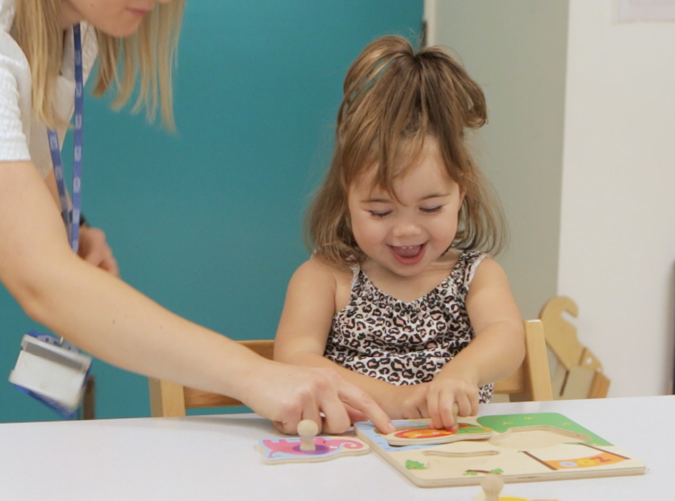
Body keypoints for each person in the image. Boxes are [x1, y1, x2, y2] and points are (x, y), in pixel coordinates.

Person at [0, 0, 394, 435]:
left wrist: (72, 223)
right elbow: (41, 279)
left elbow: (26, 161)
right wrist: (254, 374)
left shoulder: (74, 35)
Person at [274, 35, 526, 429]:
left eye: (430, 208)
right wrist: (395, 399)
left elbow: (507, 336)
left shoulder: (476, 275)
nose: (406, 230)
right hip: (354, 456)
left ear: (461, 192)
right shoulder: (326, 277)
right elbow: (292, 357)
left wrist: (463, 373)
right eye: (380, 211)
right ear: (346, 198)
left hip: (455, 457)